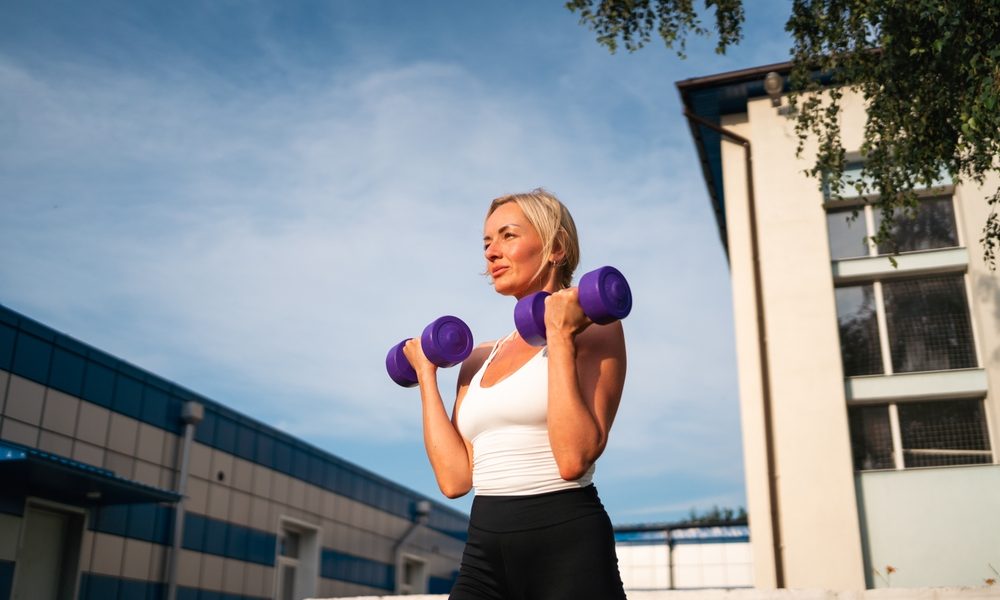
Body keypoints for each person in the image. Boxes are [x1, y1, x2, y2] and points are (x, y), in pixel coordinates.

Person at [402, 188, 627, 600]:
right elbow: (454, 481)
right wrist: (427, 377)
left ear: (556, 247)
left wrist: (559, 333)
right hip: (484, 549)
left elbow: (573, 458)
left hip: (567, 545)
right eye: (486, 242)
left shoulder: (596, 330)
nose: (491, 253)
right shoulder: (478, 357)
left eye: (507, 236)